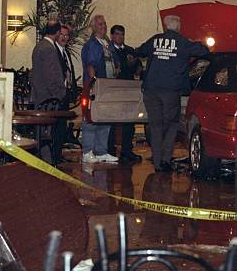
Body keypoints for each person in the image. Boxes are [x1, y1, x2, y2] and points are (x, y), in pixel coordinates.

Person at [134, 15, 210, 172]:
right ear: (179, 27)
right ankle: (165, 160)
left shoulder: (156, 39)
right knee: (171, 125)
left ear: (165, 26)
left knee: (155, 126)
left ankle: (156, 162)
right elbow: (203, 51)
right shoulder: (182, 42)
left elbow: (140, 51)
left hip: (151, 90)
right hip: (170, 91)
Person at [81, 15, 120, 164]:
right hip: (96, 87)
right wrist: (93, 85)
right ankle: (88, 152)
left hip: (109, 87)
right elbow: (90, 65)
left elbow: (115, 61)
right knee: (91, 119)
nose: (103, 26)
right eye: (100, 24)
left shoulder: (108, 43)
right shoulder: (91, 45)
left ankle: (102, 151)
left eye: (104, 23)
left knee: (105, 118)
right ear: (94, 27)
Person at [31, 21, 68, 164]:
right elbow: (51, 75)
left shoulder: (39, 46)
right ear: (58, 32)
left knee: (43, 131)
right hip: (48, 98)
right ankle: (47, 161)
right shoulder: (48, 48)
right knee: (47, 132)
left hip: (41, 94)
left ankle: (45, 159)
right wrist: (60, 94)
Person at [107, 24, 143, 162]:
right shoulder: (108, 51)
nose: (119, 37)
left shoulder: (129, 50)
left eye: (122, 34)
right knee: (112, 122)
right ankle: (110, 151)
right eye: (117, 34)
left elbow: (138, 67)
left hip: (128, 90)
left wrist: (135, 65)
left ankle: (127, 151)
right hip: (114, 91)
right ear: (112, 36)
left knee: (129, 122)